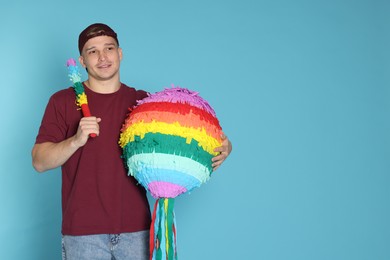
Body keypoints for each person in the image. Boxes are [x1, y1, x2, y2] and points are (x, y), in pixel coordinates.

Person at [32, 23, 232, 260]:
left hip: (137, 231)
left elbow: (184, 138)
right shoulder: (62, 101)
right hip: (83, 234)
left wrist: (224, 146)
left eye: (109, 48)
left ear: (120, 53)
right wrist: (75, 140)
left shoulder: (143, 104)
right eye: (92, 51)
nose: (103, 57)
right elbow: (39, 161)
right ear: (82, 61)